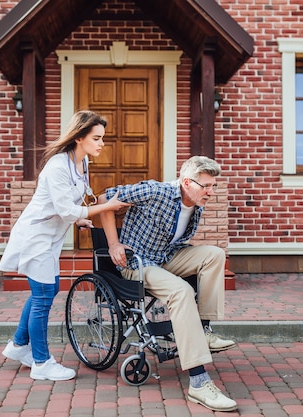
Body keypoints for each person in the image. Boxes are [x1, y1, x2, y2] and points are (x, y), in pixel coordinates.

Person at [98, 155, 238, 412]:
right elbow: (105, 199)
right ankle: (198, 382)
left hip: (166, 258)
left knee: (215, 254)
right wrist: (114, 243)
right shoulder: (155, 191)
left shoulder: (197, 204)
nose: (211, 191)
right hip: (138, 264)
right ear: (187, 182)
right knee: (181, 291)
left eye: (213, 186)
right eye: (206, 186)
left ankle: (204, 330)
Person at [0, 110, 130, 381]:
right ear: (80, 137)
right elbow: (67, 210)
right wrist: (109, 207)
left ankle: (18, 346)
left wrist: (82, 219)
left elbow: (71, 206)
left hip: (49, 236)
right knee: (44, 294)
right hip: (36, 237)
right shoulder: (58, 166)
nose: (102, 143)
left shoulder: (81, 163)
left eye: (102, 138)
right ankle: (41, 363)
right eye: (97, 138)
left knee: (42, 292)